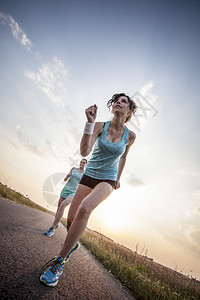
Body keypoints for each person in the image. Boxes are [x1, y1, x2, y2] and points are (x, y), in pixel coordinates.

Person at [40, 93, 137, 287]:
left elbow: (124, 157)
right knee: (72, 218)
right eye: (116, 100)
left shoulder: (131, 136)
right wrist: (89, 124)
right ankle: (72, 244)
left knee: (85, 208)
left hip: (107, 180)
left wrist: (117, 178)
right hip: (88, 176)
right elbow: (85, 152)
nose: (119, 102)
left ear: (130, 111)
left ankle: (58, 263)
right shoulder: (101, 125)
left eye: (124, 101)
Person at [44, 158, 87, 237]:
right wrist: (67, 176)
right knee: (58, 209)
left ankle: (52, 228)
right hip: (65, 190)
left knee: (63, 206)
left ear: (85, 165)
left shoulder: (84, 174)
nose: (82, 163)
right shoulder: (73, 169)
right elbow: (65, 179)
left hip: (73, 192)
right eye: (81, 162)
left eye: (84, 163)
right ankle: (56, 224)